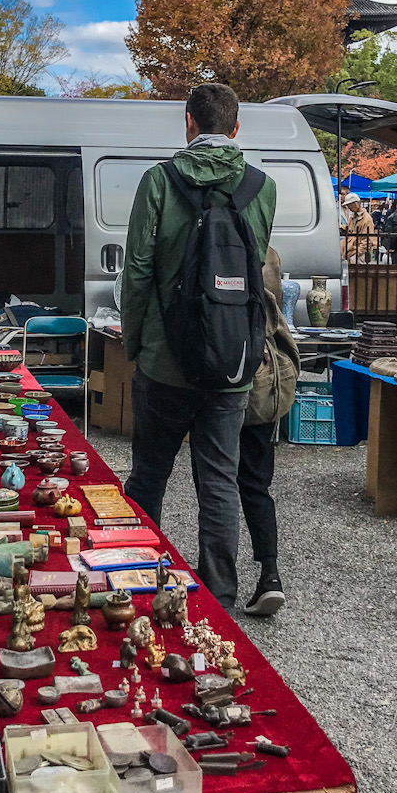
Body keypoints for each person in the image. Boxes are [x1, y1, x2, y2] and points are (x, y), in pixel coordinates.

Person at [120, 83, 276, 608]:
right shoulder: (262, 187)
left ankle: (138, 581)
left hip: (165, 360)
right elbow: (253, 270)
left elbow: (137, 272)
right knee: (219, 482)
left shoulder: (159, 181)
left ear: (188, 122)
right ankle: (219, 602)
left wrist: (135, 342)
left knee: (149, 475)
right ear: (236, 128)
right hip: (232, 361)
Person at [194, 247, 300, 616]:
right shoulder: (265, 253)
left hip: (226, 385)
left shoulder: (217, 250)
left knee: (215, 481)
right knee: (256, 485)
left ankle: (216, 578)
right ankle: (270, 575)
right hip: (264, 384)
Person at [340, 191, 375, 260]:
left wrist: (358, 253)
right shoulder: (352, 216)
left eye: (350, 205)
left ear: (356, 204)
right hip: (349, 251)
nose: (349, 207)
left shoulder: (367, 219)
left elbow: (367, 240)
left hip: (358, 253)